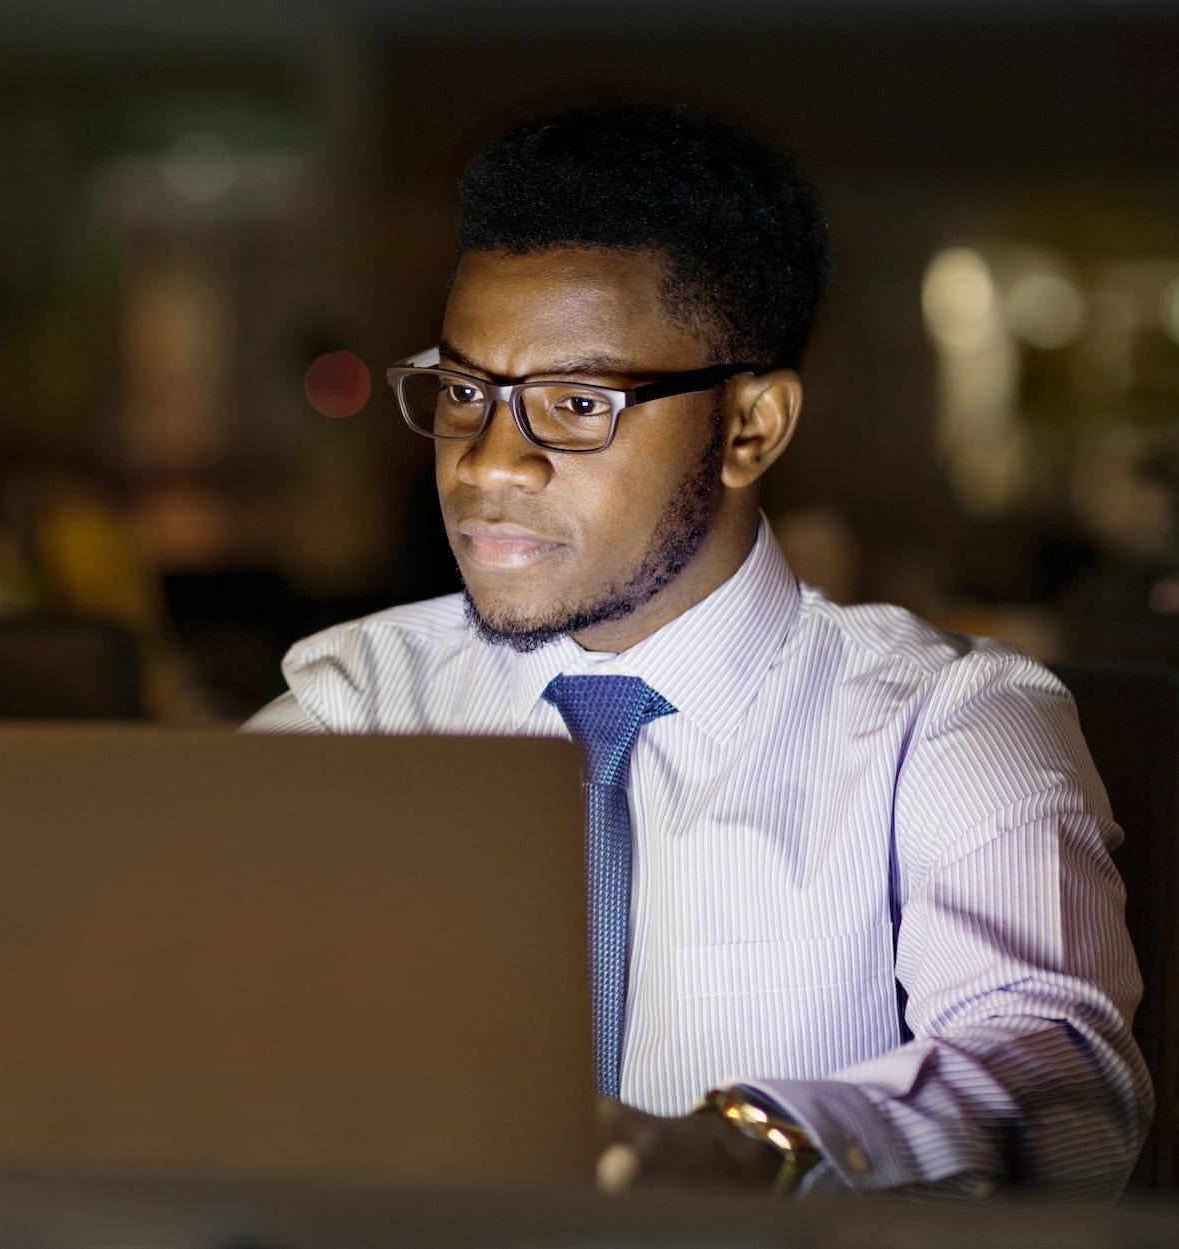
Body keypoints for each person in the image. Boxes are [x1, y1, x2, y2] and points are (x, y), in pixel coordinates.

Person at [247, 105, 1149, 1198]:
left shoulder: (942, 722)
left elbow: (1059, 1077)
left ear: (750, 427)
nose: (489, 463)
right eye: (464, 392)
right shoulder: (361, 704)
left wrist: (746, 1144)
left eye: (575, 404)